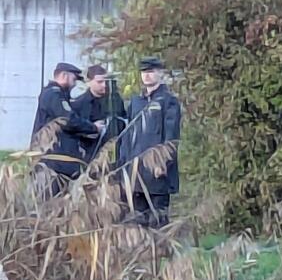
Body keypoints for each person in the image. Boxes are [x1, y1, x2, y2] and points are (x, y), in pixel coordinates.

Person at [118, 57, 181, 228]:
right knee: (138, 220)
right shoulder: (136, 102)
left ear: (160, 73)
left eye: (151, 71)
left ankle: (161, 253)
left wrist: (162, 163)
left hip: (157, 171)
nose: (147, 76)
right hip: (136, 170)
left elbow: (171, 136)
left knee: (158, 220)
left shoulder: (168, 101)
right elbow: (128, 135)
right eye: (144, 72)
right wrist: (124, 164)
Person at [30, 62, 104, 196]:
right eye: (74, 79)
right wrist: (93, 128)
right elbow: (68, 120)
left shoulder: (57, 95)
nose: (75, 84)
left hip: (57, 164)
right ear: (64, 75)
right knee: (49, 204)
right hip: (51, 164)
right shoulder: (53, 95)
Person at [72, 64, 127, 160]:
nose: (104, 85)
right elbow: (74, 130)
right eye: (99, 82)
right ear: (89, 82)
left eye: (105, 81)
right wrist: (91, 127)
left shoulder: (115, 99)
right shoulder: (79, 104)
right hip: (90, 155)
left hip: (115, 152)